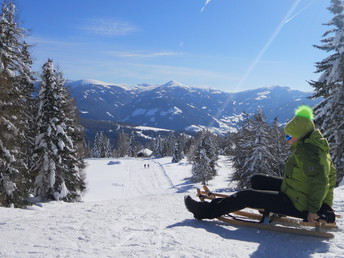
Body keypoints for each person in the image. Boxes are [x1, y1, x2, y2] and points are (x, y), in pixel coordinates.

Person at [184, 105, 337, 223]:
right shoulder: (317, 144)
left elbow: (321, 181)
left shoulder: (307, 151)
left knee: (245, 196)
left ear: (300, 135)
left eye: (289, 136)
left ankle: (206, 211)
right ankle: (274, 206)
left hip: (298, 203)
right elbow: (330, 176)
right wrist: (326, 205)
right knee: (257, 180)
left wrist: (314, 210)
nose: (287, 140)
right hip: (297, 192)